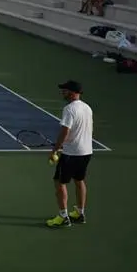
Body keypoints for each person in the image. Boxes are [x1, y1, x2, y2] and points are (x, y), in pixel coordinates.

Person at [46, 80, 94, 229]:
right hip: (86, 151)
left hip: (71, 153)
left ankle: (63, 217)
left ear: (73, 93)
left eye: (65, 90)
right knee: (79, 180)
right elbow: (87, 129)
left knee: (59, 182)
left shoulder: (69, 109)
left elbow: (65, 131)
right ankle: (80, 213)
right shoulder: (87, 108)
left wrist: (55, 149)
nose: (62, 92)